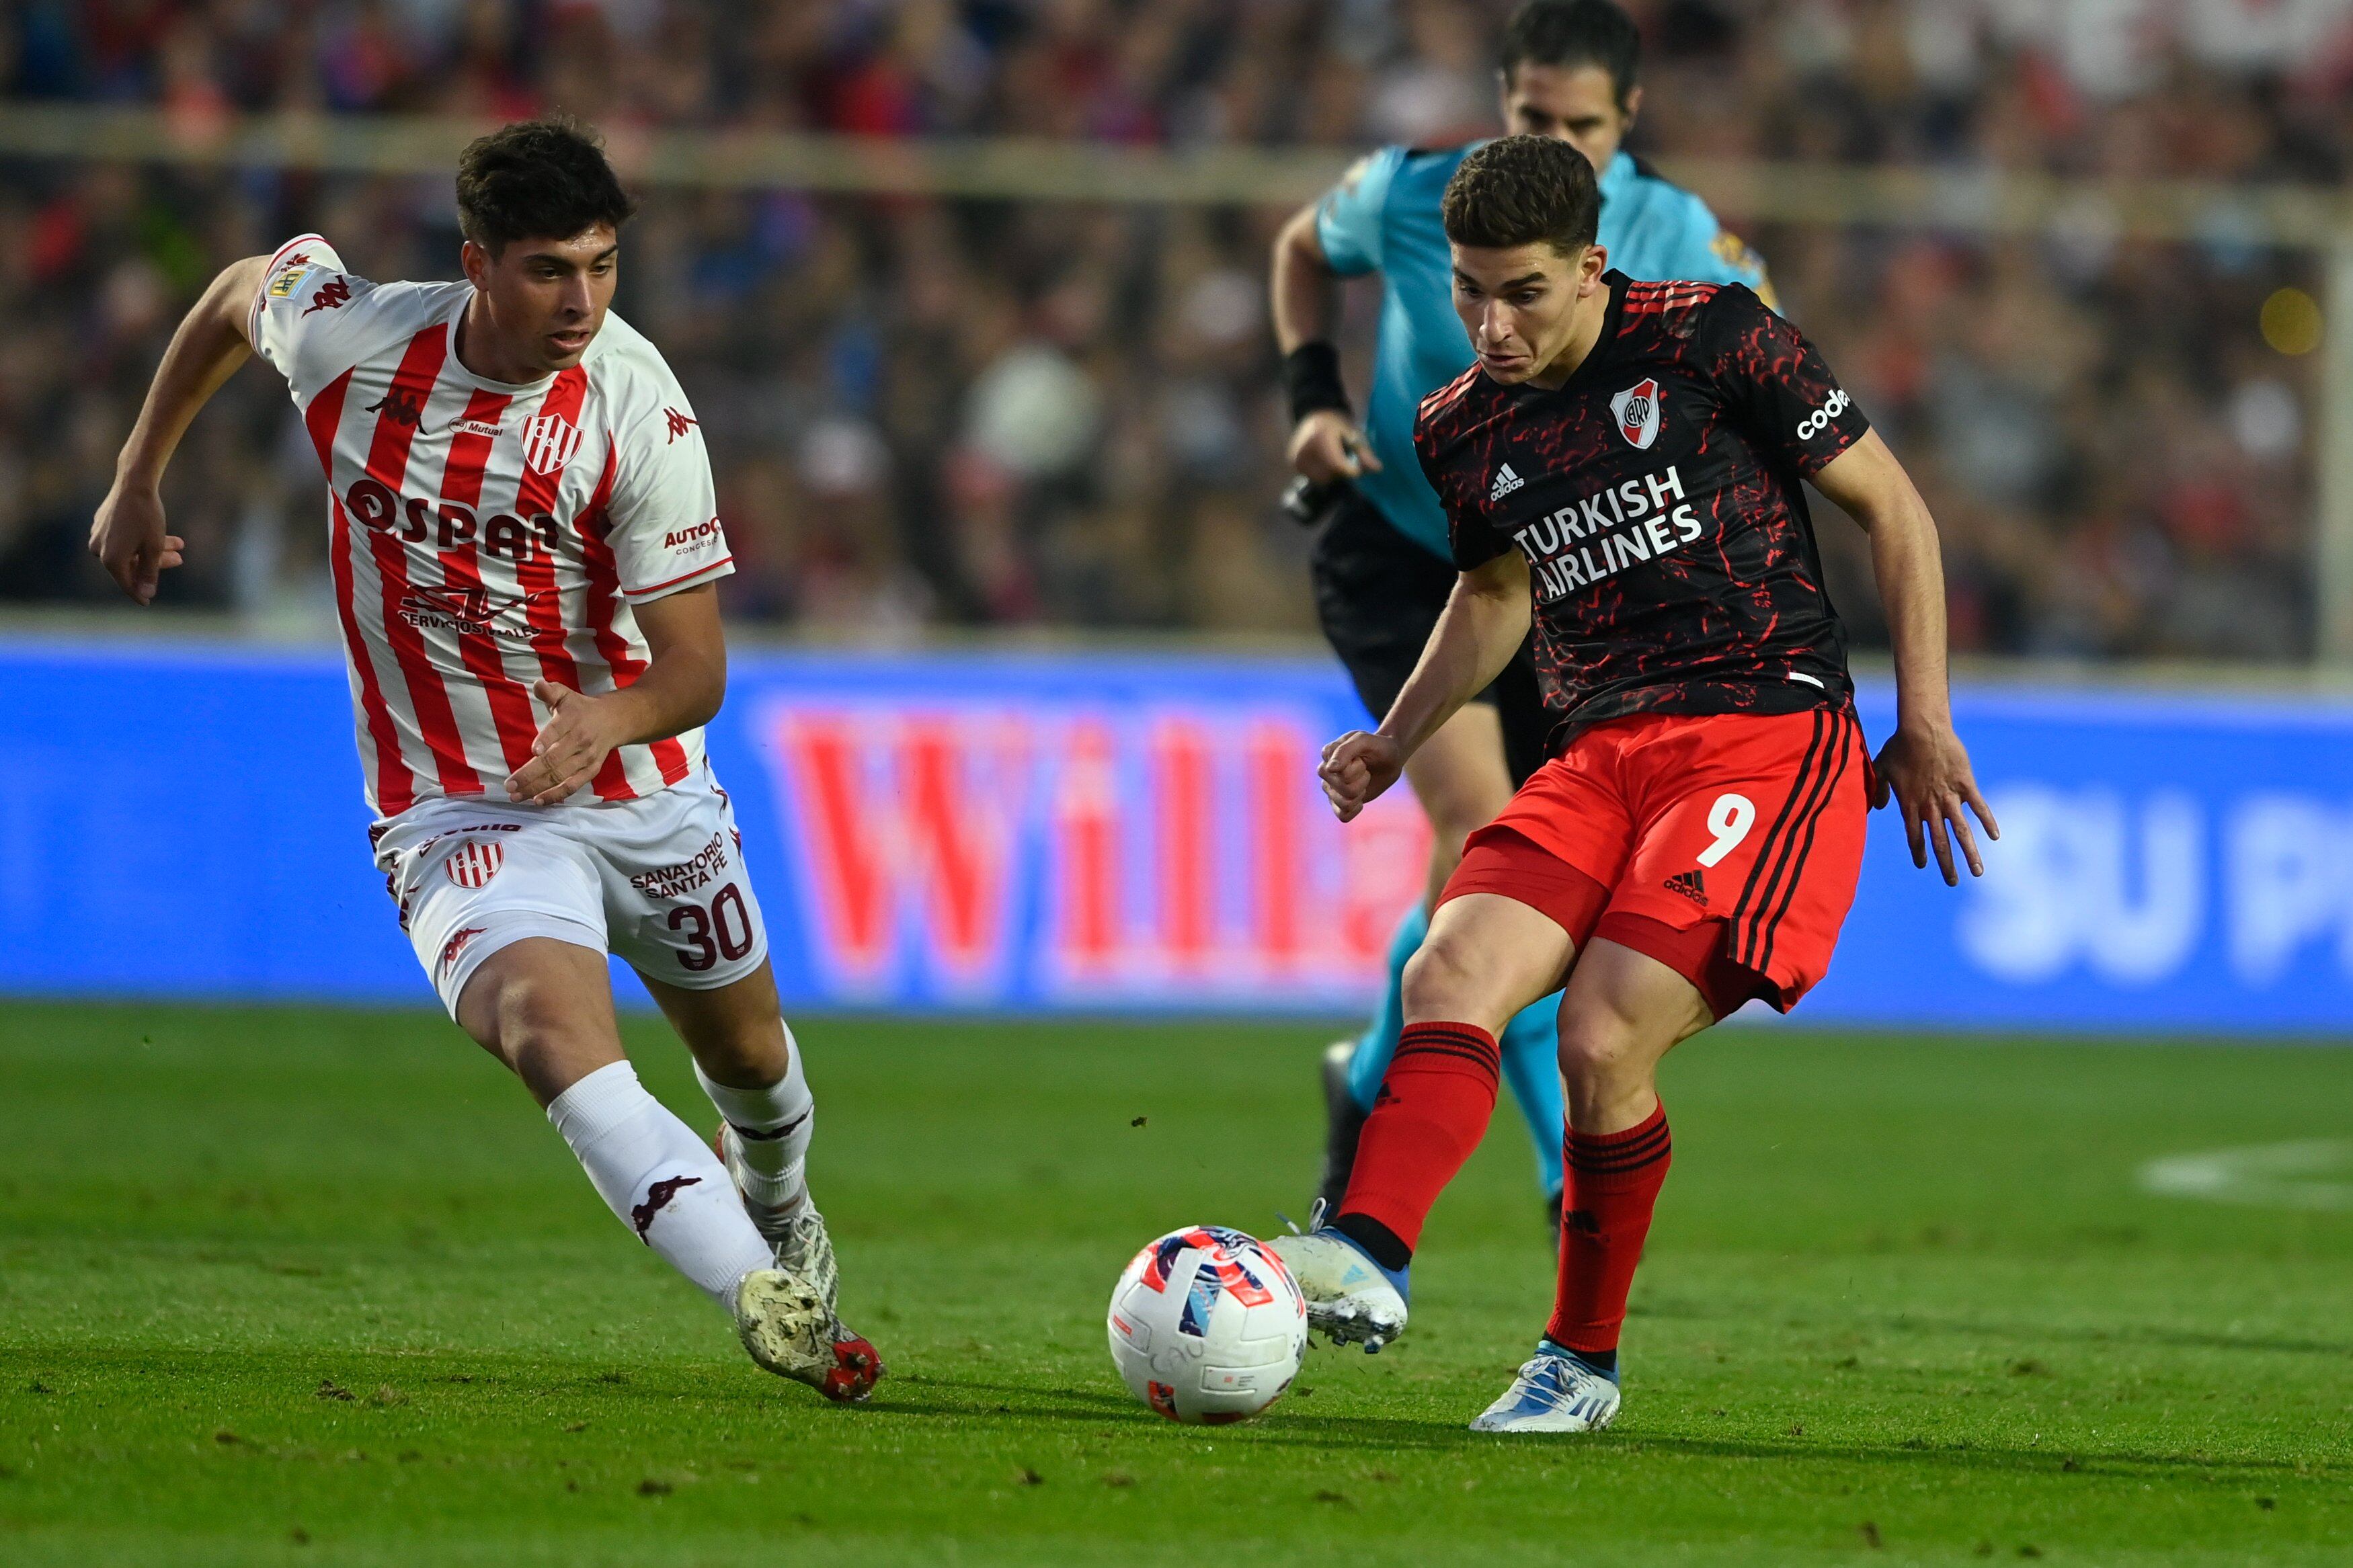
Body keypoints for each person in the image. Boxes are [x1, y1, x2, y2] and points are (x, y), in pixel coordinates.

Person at [87, 118, 882, 1403]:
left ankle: (780, 1201)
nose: (583, 301)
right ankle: (763, 1294)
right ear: (476, 264)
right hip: (451, 800)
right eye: (549, 270)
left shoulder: (638, 407)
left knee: (752, 1061)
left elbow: (695, 671)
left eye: (604, 266)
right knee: (547, 1031)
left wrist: (605, 720)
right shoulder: (353, 339)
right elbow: (240, 293)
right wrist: (139, 475)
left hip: (640, 790)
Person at [1270, 135, 1995, 1434]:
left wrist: (1924, 719)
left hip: (1762, 737)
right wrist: (1393, 737)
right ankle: (1364, 1248)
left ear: (1592, 265)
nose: (1491, 324)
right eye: (1470, 291)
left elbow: (1898, 511)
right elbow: (1494, 593)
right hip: (1596, 750)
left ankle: (1578, 1361)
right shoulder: (1461, 425)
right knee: (1448, 969)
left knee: (1606, 1038)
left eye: (1524, 292)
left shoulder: (1719, 339)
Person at [1271, 0, 1773, 1228]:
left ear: (1631, 120)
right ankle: (1558, 1174)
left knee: (1531, 874)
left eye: (1581, 123)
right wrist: (1310, 398)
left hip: (1571, 578)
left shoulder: (1682, 237)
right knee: (1479, 829)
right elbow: (1298, 252)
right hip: (1401, 548)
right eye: (1532, 114)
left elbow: (1763, 377)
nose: (1555, 138)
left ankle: (1368, 1074)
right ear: (1502, 102)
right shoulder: (1414, 192)